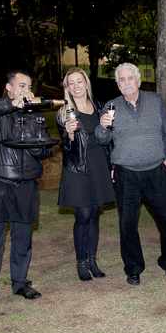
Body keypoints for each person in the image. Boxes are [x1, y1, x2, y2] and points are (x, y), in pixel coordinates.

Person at [0, 70, 51, 312]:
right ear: (9, 87)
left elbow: (44, 149)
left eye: (29, 86)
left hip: (26, 185)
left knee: (23, 239)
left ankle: (20, 282)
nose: (26, 90)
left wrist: (38, 147)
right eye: (21, 85)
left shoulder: (34, 114)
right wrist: (10, 105)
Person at [95, 63, 166, 286]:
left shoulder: (155, 101)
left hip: (157, 171)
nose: (126, 83)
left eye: (130, 78)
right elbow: (102, 139)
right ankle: (133, 268)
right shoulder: (111, 106)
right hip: (126, 175)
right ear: (117, 84)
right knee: (128, 224)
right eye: (121, 80)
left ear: (138, 80)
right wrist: (103, 126)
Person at [56, 68, 115, 281]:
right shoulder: (64, 112)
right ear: (67, 88)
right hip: (77, 167)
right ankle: (81, 262)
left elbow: (106, 138)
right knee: (83, 214)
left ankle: (92, 260)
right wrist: (69, 134)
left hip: (98, 164)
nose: (76, 86)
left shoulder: (99, 106)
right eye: (71, 83)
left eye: (79, 81)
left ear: (86, 83)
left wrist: (107, 128)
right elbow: (65, 146)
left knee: (95, 213)